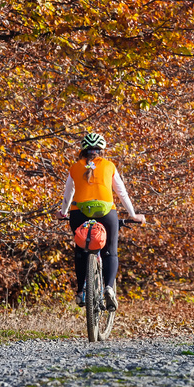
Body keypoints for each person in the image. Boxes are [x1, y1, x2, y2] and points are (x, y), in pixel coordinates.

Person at [54, 132, 145, 310]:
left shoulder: (75, 167)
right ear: (101, 151)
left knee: (81, 250)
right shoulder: (109, 166)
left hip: (79, 213)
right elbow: (121, 192)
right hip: (106, 213)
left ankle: (81, 292)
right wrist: (133, 215)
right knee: (110, 252)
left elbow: (68, 193)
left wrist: (63, 213)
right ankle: (109, 288)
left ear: (83, 150)